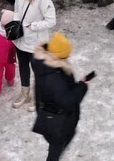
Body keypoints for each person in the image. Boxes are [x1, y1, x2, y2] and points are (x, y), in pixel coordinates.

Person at [33, 32, 92, 161]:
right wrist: (82, 87)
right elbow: (67, 102)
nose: (69, 56)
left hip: (49, 114)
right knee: (58, 144)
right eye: (66, 55)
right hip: (57, 120)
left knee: (60, 140)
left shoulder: (45, 64)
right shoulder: (54, 77)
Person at [11, 0, 57, 110]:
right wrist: (12, 20)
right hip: (21, 39)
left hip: (36, 42)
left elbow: (51, 21)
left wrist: (33, 26)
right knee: (23, 67)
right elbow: (17, 10)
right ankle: (26, 94)